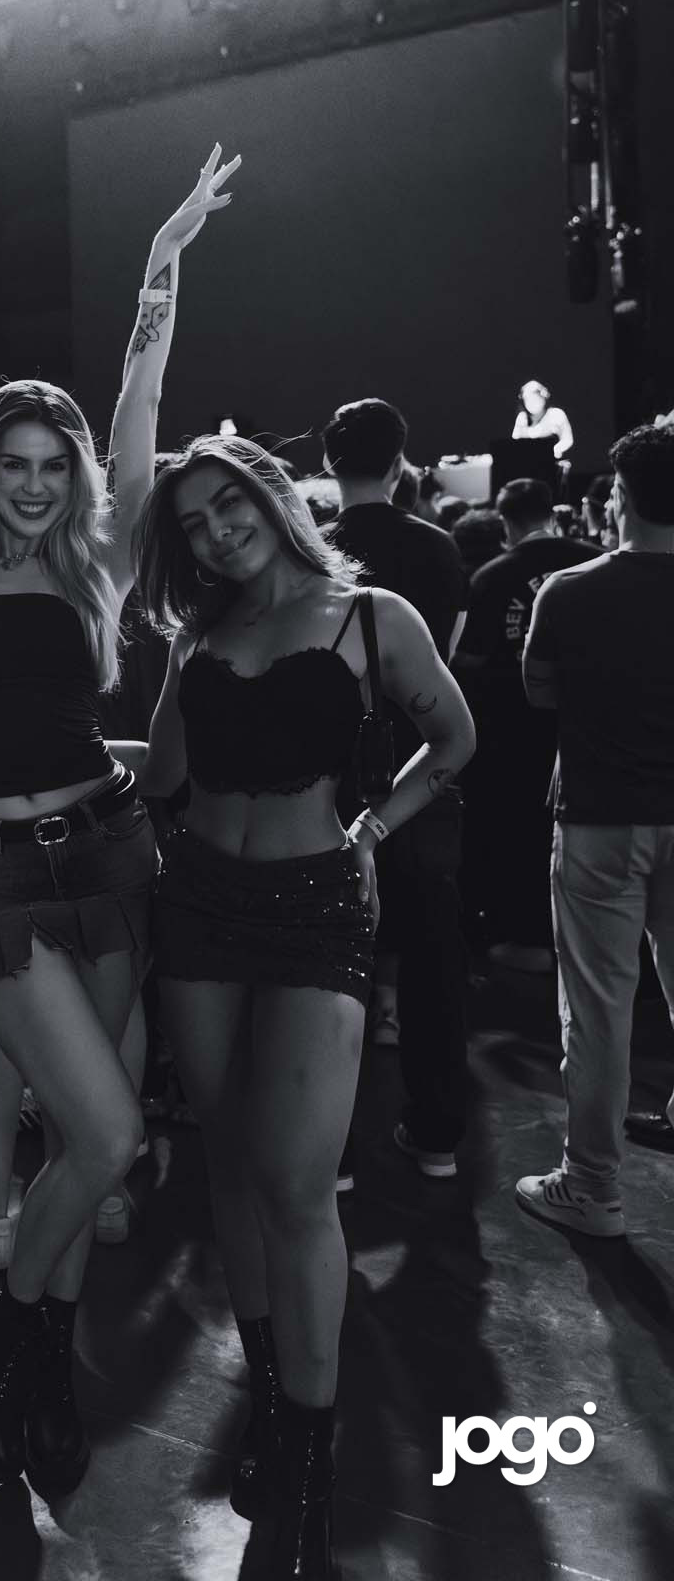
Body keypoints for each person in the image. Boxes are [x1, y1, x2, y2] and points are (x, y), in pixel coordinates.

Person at [0, 146, 239, 1496]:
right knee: (103, 1136)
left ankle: (31, 1351)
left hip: (102, 854)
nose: (37, 481)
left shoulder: (93, 560)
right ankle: (21, 1329)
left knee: (95, 1153)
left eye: (55, 463)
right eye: (15, 462)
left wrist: (159, 266)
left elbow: (140, 399)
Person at [135, 433, 473, 1579]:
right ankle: (274, 1408)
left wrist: (373, 827)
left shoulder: (369, 616)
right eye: (192, 523)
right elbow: (162, 776)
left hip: (315, 908)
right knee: (229, 1167)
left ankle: (315, 1459)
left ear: (272, 497)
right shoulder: (199, 632)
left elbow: (453, 736)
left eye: (227, 505)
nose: (215, 532)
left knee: (295, 1183)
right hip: (196, 905)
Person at [516, 423, 674, 1233]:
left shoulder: (569, 590)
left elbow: (539, 691)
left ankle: (592, 1187)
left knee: (600, 1010)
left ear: (620, 498)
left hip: (601, 816)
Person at [323, 398, 471, 1167]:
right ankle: (438, 1134)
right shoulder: (438, 548)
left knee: (324, 969)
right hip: (422, 773)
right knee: (434, 958)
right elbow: (446, 666)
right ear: (400, 462)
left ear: (328, 462)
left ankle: (334, 1149)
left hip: (325, 782)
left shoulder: (312, 549)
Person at [454, 479, 597, 972]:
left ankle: (527, 935)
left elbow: (468, 661)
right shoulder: (594, 561)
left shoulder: (492, 577)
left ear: (506, 522)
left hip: (511, 734)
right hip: (584, 730)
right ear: (550, 513)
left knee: (518, 836)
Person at [512, 379, 574, 461]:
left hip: (553, 462)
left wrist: (555, 450)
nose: (531, 403)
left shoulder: (556, 414)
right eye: (527, 400)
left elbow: (567, 439)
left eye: (534, 399)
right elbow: (514, 442)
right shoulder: (522, 418)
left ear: (543, 397)